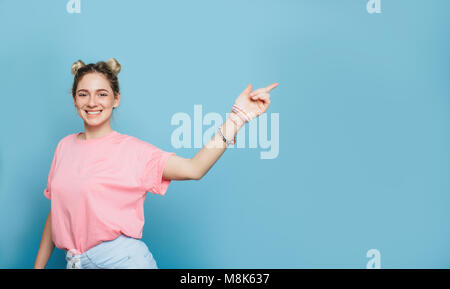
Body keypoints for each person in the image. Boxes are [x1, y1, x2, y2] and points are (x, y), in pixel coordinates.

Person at [34, 58, 279, 269]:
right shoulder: (64, 146)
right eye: (83, 94)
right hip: (76, 262)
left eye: (102, 94)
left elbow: (195, 169)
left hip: (123, 262)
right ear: (75, 100)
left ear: (116, 99)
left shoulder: (133, 151)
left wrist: (237, 118)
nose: (92, 102)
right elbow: (57, 210)